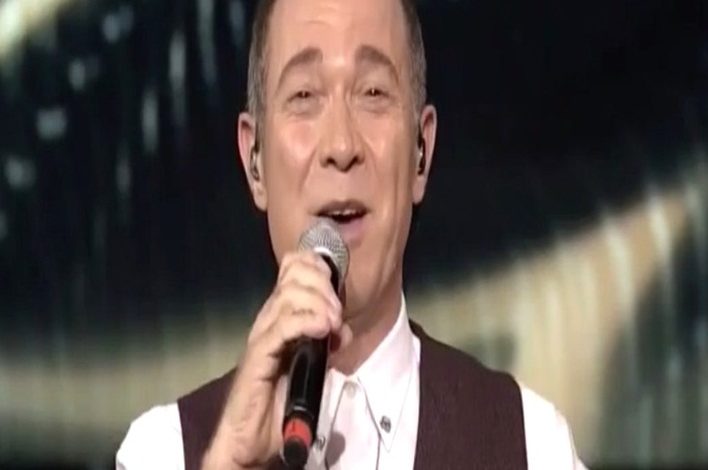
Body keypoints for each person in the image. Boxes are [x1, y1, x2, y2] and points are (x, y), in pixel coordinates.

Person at [117, 0, 587, 468]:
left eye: (373, 93)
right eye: (304, 96)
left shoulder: (532, 444)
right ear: (254, 160)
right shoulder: (163, 451)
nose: (341, 146)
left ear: (421, 152)